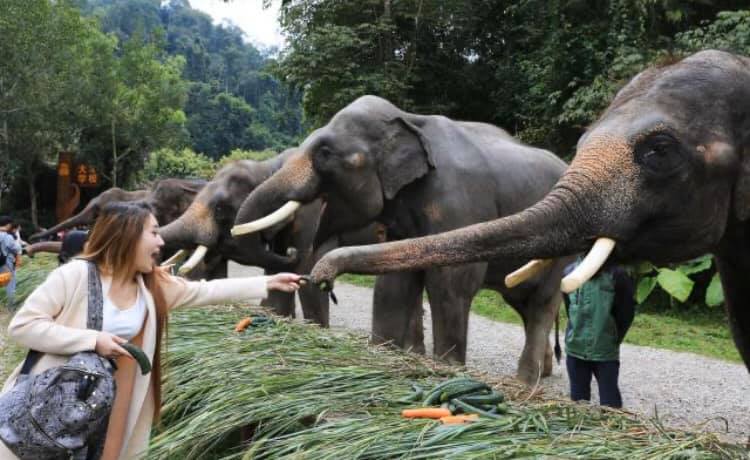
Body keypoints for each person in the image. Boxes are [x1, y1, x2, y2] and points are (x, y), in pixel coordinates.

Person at [0, 201, 303, 459]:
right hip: (56, 397)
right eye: (154, 232)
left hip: (113, 402)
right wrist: (93, 340)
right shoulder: (74, 275)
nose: (160, 242)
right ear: (127, 235)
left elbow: (204, 291)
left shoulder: (151, 286)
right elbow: (23, 326)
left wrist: (267, 282)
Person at [563, 259, 635, 408]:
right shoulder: (569, 272)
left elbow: (626, 314)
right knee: (579, 405)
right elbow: (569, 309)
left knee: (610, 405)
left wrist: (612, 338)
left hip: (605, 352)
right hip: (575, 349)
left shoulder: (617, 275)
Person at [0, 216, 22, 311]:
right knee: (9, 284)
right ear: (8, 224)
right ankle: (11, 306)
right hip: (5, 263)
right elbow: (16, 248)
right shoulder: (7, 236)